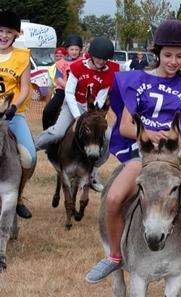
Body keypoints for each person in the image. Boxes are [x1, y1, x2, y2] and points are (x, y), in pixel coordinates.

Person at [85, 20, 181, 293]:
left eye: (179, 56)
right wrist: (151, 134)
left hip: (175, 161)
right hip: (142, 156)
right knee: (112, 198)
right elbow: (124, 126)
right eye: (168, 55)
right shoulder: (137, 80)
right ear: (157, 53)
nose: (173, 61)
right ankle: (114, 255)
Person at [34, 37, 119, 192]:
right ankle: (32, 148)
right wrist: (78, 116)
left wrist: (92, 115)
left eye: (105, 59)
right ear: (92, 55)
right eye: (99, 58)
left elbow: (101, 98)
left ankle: (93, 170)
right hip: (72, 104)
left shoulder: (110, 73)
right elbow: (69, 92)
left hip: (93, 111)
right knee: (58, 132)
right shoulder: (78, 67)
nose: (102, 62)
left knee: (107, 136)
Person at [0, 10, 36, 219]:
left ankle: (19, 195)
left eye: (8, 32)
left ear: (16, 34)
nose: (4, 35)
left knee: (28, 157)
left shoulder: (22, 56)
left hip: (13, 114)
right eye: (1, 31)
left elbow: (24, 89)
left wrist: (13, 106)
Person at [42, 34, 84, 130]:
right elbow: (59, 78)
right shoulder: (61, 63)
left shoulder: (83, 62)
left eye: (76, 49)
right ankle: (47, 132)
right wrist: (69, 88)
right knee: (47, 111)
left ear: (80, 50)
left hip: (79, 91)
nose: (74, 52)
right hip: (62, 92)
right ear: (67, 50)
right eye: (72, 49)